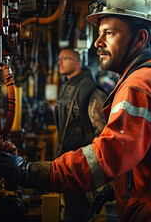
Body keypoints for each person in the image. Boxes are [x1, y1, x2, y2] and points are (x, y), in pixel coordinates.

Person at [0, 0, 151, 221]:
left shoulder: (140, 85)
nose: (97, 42)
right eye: (99, 33)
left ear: (141, 37)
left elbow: (106, 157)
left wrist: (27, 172)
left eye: (109, 33)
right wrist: (116, 187)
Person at [54, 48, 107, 221]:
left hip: (83, 164)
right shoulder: (66, 86)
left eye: (65, 58)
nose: (59, 62)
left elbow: (101, 131)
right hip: (68, 160)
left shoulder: (91, 91)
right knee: (70, 208)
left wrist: (92, 166)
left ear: (77, 63)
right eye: (59, 58)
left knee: (81, 211)